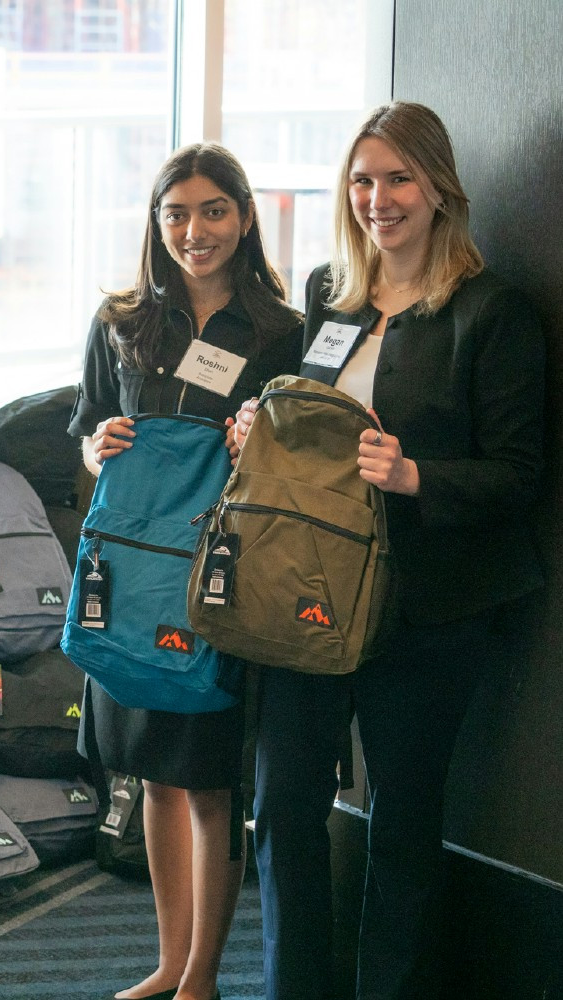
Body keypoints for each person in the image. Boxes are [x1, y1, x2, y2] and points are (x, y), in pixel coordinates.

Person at [237, 101, 545, 1000]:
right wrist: (260, 425)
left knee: (403, 823)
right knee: (283, 803)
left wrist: (415, 476)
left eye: (398, 178)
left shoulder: (492, 313)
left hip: (431, 606)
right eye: (363, 180)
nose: (379, 198)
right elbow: (303, 435)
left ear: (440, 188)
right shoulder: (330, 294)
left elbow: (521, 475)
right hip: (314, 596)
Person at [70, 143, 302, 1000]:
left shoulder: (280, 330)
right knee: (152, 776)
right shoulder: (121, 320)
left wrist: (259, 445)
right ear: (156, 222)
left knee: (208, 780)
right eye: (175, 213)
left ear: (242, 217)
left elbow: (299, 458)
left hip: (219, 577)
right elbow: (88, 429)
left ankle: (201, 976)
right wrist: (98, 448)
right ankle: (167, 962)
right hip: (130, 577)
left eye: (211, 211)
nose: (192, 231)